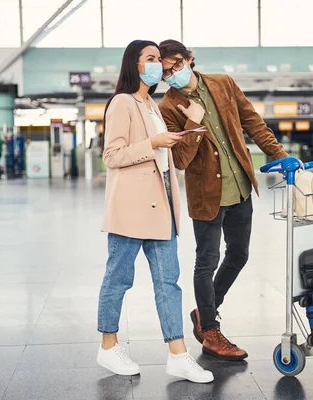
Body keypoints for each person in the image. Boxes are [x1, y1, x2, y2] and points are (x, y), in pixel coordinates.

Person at [158, 39, 288, 361]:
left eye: (176, 65)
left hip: (240, 186)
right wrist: (193, 122)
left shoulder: (223, 83)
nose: (173, 74)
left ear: (189, 59)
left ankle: (204, 313)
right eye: (165, 72)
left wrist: (280, 155)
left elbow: (252, 122)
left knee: (239, 255)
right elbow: (180, 160)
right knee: (206, 261)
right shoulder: (167, 108)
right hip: (206, 196)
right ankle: (211, 331)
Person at [96, 39, 213, 384]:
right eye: (150, 58)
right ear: (134, 64)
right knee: (118, 278)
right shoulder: (123, 103)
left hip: (161, 202)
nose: (156, 65)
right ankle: (107, 345)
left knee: (168, 282)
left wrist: (184, 132)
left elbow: (165, 158)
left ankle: (178, 354)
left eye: (157, 59)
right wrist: (153, 144)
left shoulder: (152, 105)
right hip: (131, 207)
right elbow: (113, 156)